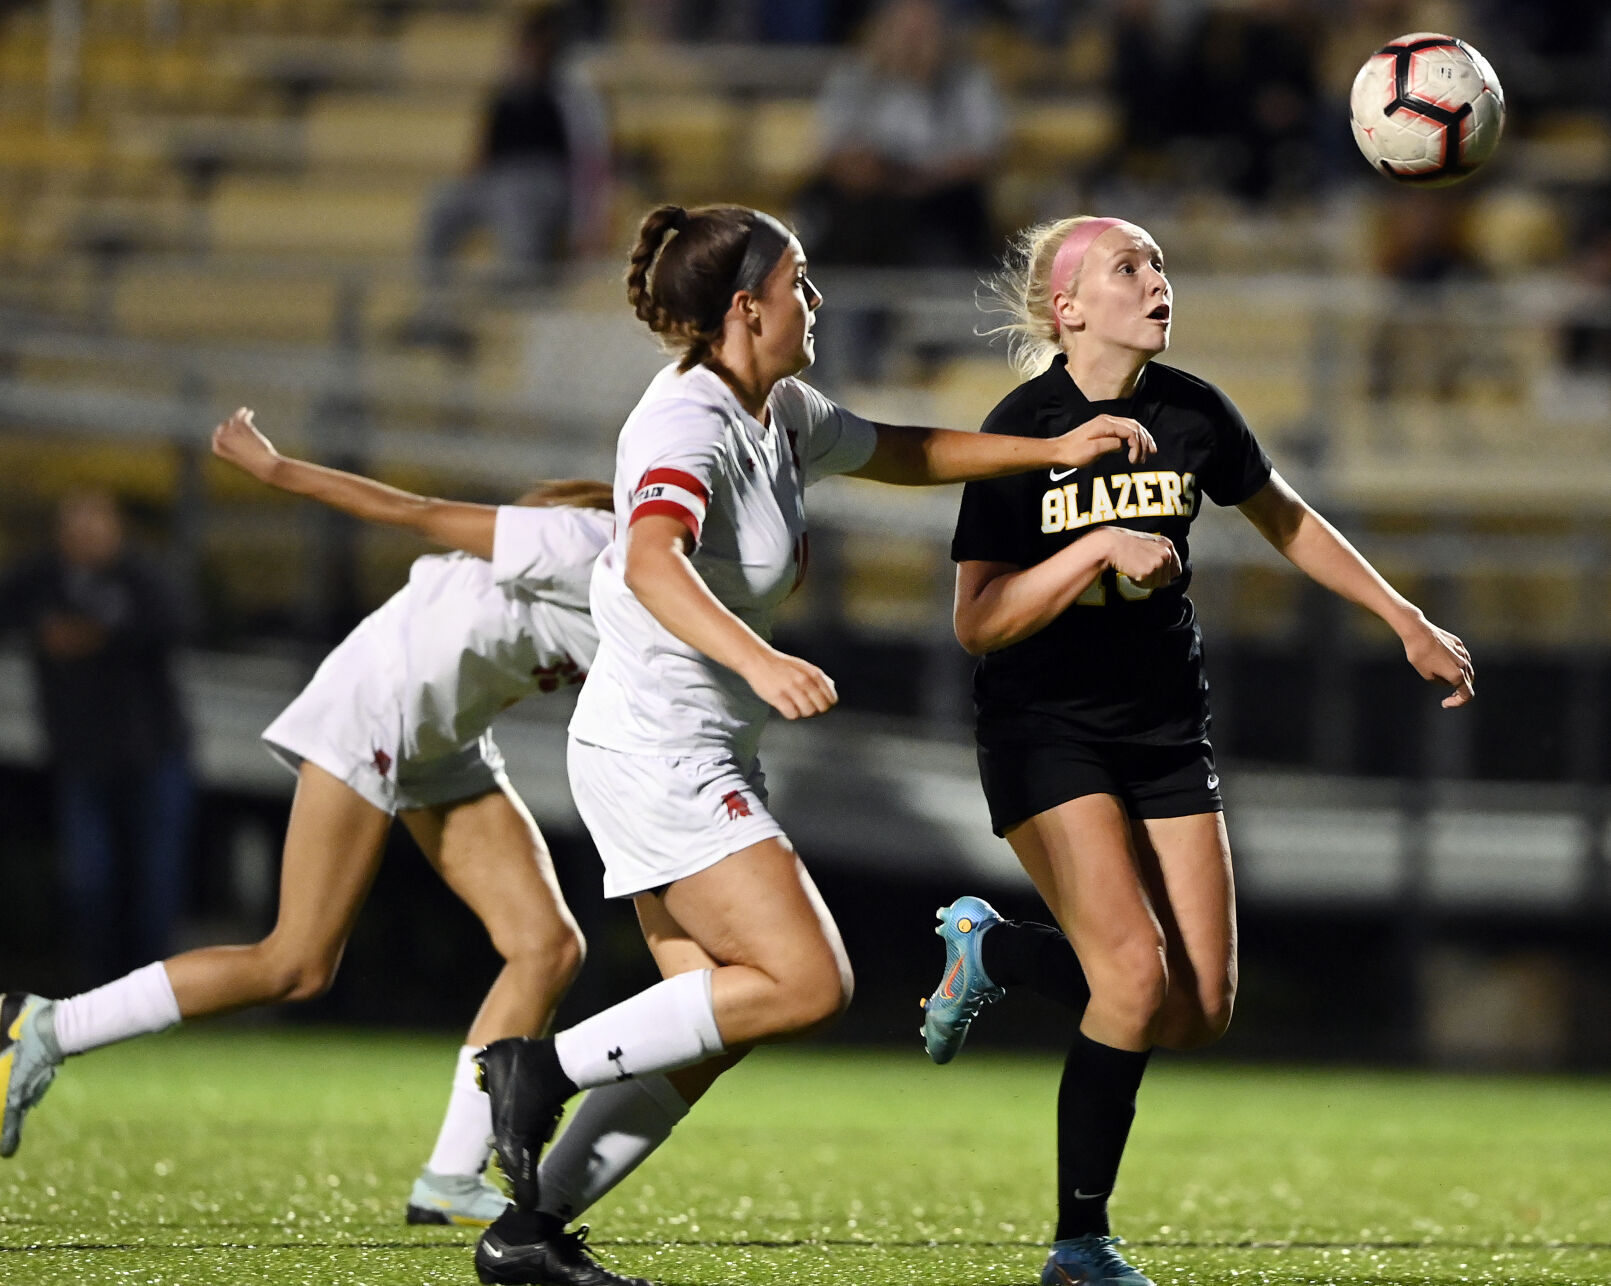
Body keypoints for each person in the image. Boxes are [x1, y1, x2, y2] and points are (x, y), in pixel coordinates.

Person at [464, 202, 1161, 1286]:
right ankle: (535, 1064)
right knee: (806, 979)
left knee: (705, 1029)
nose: (816, 299)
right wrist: (758, 659)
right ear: (747, 309)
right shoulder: (686, 422)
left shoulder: (775, 404)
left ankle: (528, 1231)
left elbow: (900, 448)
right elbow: (652, 559)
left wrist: (1049, 449)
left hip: (681, 745)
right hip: (659, 747)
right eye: (800, 283)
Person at [918, 215, 1476, 1286]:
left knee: (1198, 1006)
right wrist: (1090, 550)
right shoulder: (1021, 427)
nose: (1158, 280)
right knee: (1130, 972)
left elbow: (1286, 516)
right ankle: (1079, 1242)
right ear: (1068, 306)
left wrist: (1402, 615)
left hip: (1166, 729)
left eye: (1162, 263)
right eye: (1130, 266)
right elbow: (978, 620)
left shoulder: (1193, 411)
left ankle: (993, 951)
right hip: (1045, 731)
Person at [1, 411, 618, 1252]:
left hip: (442, 735)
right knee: (294, 964)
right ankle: (43, 1027)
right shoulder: (596, 543)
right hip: (375, 703)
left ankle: (450, 1176)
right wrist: (277, 469)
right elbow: (418, 511)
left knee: (546, 947)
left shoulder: (680, 587)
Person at [0, 488, 196, 983]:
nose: (86, 536)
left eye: (97, 524)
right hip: (81, 755)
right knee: (90, 881)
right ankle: (97, 986)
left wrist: (99, 637)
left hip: (152, 752)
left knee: (154, 883)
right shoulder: (41, 580)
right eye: (75, 525)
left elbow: (183, 623)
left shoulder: (141, 579)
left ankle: (153, 992)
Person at [419, 4, 610, 287]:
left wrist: (588, 223)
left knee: (514, 199)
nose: (528, 51)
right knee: (442, 203)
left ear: (553, 46)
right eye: (525, 44)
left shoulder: (573, 93)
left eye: (537, 44)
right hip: (497, 178)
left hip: (547, 180)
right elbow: (481, 150)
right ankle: (434, 305)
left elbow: (591, 159)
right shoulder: (508, 91)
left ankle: (518, 294)